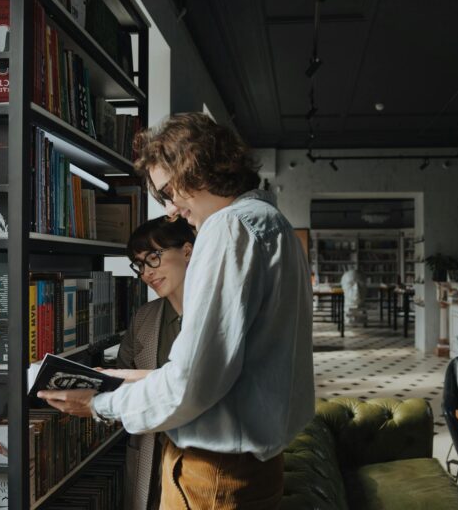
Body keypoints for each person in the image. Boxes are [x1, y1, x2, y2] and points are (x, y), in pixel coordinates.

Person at [38, 112, 315, 509]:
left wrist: (98, 404)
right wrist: (129, 378)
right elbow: (236, 368)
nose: (170, 210)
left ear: (197, 168)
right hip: (256, 466)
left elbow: (192, 383)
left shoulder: (228, 228)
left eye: (170, 192)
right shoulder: (272, 224)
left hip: (214, 472)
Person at [117, 216, 195, 510]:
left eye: (153, 257)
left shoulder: (214, 315)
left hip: (200, 459)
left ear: (187, 251)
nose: (146, 273)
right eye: (139, 264)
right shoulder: (144, 317)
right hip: (151, 454)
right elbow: (121, 382)